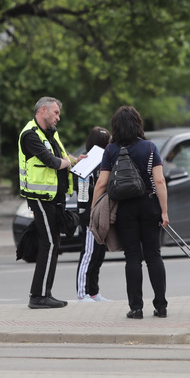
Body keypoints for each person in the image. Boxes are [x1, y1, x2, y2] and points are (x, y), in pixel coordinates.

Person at [93, 105, 169, 319]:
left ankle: (136, 308)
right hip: (149, 204)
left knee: (132, 257)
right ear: (138, 124)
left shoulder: (110, 150)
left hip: (124, 208)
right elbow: (159, 180)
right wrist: (164, 211)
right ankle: (161, 306)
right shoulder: (150, 147)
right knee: (154, 255)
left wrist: (94, 210)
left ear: (115, 126)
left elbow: (102, 183)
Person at [18, 96, 86, 309]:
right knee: (48, 242)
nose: (59, 117)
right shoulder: (30, 135)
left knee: (54, 243)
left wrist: (76, 160)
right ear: (43, 110)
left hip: (54, 199)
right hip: (39, 198)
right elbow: (53, 161)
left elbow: (63, 156)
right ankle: (37, 297)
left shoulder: (50, 133)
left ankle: (45, 293)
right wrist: (66, 162)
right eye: (56, 113)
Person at [75, 126, 112, 303]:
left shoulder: (106, 161)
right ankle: (82, 293)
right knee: (89, 253)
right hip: (90, 215)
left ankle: (94, 292)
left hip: (102, 213)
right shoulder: (86, 161)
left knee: (99, 254)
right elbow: (81, 192)